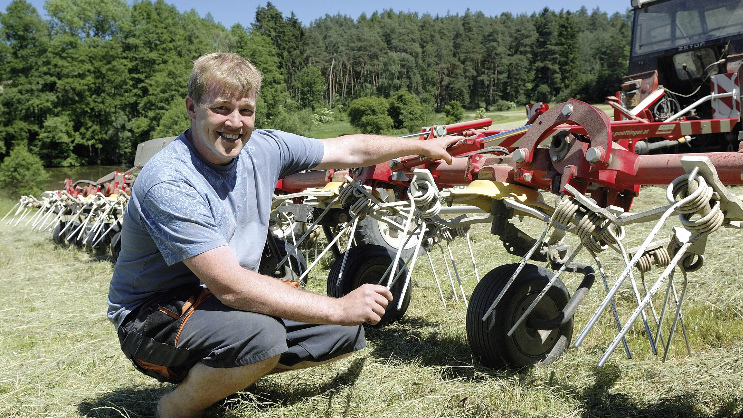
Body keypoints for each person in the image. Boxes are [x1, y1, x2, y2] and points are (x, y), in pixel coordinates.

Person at [107, 52, 459, 418]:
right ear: (192, 108)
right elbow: (231, 286)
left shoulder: (265, 147)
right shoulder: (170, 179)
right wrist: (338, 306)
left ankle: (230, 369)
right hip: (152, 318)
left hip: (213, 300)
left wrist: (420, 146)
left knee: (342, 332)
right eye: (221, 108)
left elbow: (348, 148)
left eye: (246, 110)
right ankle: (174, 408)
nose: (235, 122)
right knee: (266, 336)